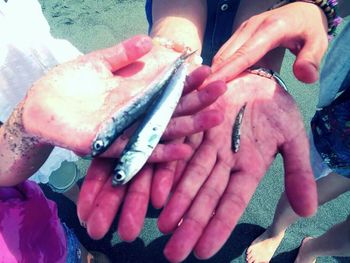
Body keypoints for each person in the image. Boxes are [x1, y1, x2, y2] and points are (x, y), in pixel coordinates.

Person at [140, 0, 348, 262]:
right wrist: (174, 47)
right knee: (183, 131)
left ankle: (197, 192)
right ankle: (184, 186)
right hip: (187, 24)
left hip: (257, 36)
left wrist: (309, 11)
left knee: (217, 141)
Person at [246, 20, 350, 263]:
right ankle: (276, 231)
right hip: (342, 137)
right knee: (304, 188)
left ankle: (314, 249)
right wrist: (320, 9)